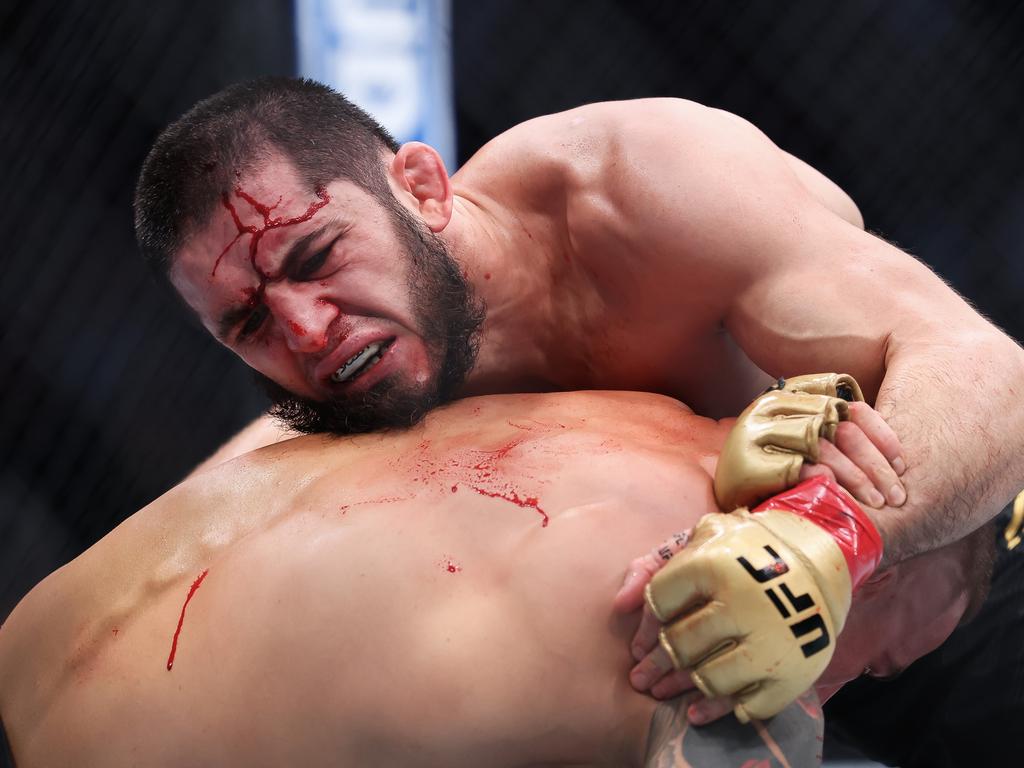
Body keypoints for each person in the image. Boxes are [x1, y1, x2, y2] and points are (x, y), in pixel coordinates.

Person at [133, 77, 1024, 716]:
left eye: (319, 257)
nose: (307, 333)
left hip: (961, 561)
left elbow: (989, 369)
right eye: (248, 324)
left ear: (422, 187)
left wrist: (809, 536)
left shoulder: (647, 189)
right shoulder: (345, 409)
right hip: (702, 678)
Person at [0, 390, 993, 767]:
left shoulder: (618, 387)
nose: (851, 681)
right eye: (884, 661)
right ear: (873, 579)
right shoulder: (715, 703)